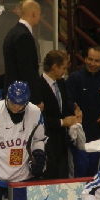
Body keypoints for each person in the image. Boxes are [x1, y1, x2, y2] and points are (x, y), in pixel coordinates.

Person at [66, 46, 100, 177]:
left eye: (97, 61)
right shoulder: (74, 78)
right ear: (85, 59)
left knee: (97, 177)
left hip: (99, 139)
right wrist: (75, 108)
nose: (92, 63)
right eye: (90, 59)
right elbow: (67, 100)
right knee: (78, 177)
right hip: (79, 140)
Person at [35, 50, 82, 179]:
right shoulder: (37, 87)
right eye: (63, 68)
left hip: (62, 142)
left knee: (63, 177)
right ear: (54, 67)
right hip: (46, 142)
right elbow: (38, 119)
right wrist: (62, 122)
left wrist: (75, 112)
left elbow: (65, 105)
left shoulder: (61, 83)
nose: (65, 71)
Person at [2, 0, 41, 93]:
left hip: (14, 93)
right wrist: (36, 99)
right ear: (34, 14)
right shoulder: (23, 36)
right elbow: (27, 71)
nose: (40, 18)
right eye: (39, 14)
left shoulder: (14, 32)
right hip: (20, 96)